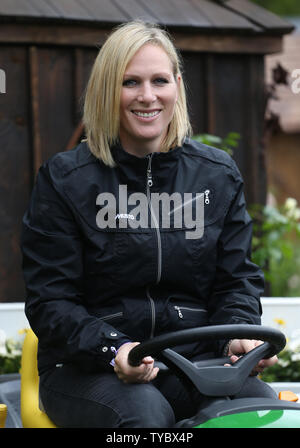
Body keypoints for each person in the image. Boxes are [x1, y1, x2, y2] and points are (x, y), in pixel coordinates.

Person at [21, 20, 278, 428]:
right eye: (130, 83)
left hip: (194, 362)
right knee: (145, 414)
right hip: (89, 370)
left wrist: (238, 335)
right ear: (108, 90)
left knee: (258, 410)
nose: (147, 96)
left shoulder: (217, 175)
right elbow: (51, 301)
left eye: (159, 80)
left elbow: (237, 281)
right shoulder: (65, 180)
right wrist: (114, 349)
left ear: (177, 84)